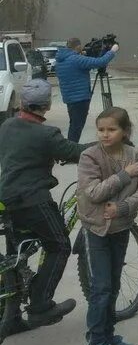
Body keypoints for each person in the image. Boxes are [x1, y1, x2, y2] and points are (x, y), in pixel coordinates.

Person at [0, 79, 90, 327]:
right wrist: (109, 143)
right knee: (59, 245)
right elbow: (75, 152)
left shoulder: (7, 125)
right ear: (47, 105)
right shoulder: (47, 135)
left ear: (22, 102)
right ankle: (41, 304)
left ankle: (12, 318)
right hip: (33, 199)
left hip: (6, 197)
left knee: (16, 256)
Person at [77, 106, 138, 345]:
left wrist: (122, 207)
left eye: (111, 129)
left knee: (114, 284)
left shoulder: (134, 155)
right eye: (101, 130)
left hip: (120, 227)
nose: (105, 134)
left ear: (125, 131)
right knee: (101, 288)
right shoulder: (90, 156)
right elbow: (94, 193)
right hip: (96, 229)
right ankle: (95, 343)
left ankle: (108, 337)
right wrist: (123, 175)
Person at [54, 37, 119, 143]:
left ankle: (71, 145)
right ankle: (71, 148)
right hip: (80, 99)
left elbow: (83, 65)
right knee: (76, 127)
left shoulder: (61, 60)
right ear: (78, 46)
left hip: (70, 98)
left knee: (74, 124)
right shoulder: (76, 60)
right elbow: (100, 62)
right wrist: (112, 51)